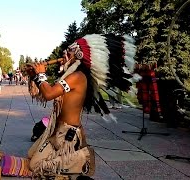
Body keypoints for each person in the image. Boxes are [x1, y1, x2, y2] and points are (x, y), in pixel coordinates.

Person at [25, 34, 138, 177]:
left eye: (69, 51)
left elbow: (49, 94)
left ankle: (83, 158)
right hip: (56, 130)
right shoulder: (69, 76)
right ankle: (64, 157)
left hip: (67, 135)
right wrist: (34, 76)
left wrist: (41, 75)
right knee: (30, 154)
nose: (64, 54)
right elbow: (46, 92)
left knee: (35, 165)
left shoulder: (77, 77)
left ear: (79, 55)